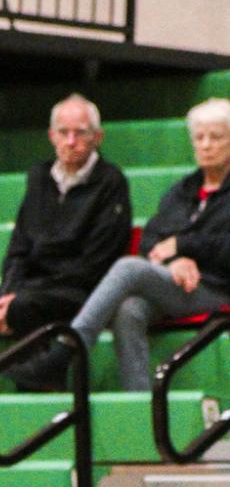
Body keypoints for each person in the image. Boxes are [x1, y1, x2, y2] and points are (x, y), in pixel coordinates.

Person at [0, 96, 132, 394]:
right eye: (63, 132)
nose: (71, 141)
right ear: (51, 136)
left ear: (97, 137)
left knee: (25, 306)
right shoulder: (38, 178)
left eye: (80, 133)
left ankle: (35, 386)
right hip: (27, 291)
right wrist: (8, 294)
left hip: (78, 293)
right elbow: (18, 249)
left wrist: (19, 298)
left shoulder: (111, 182)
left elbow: (95, 264)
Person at [19, 98, 230, 393]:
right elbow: (150, 241)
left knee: (128, 266)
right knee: (129, 309)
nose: (206, 145)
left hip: (215, 286)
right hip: (174, 281)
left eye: (216, 137)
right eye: (199, 137)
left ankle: (65, 352)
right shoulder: (181, 191)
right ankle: (141, 404)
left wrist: (184, 245)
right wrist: (174, 261)